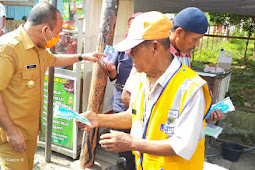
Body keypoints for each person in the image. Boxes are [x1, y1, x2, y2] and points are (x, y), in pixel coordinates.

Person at [77, 11, 212, 170]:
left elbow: (182, 145)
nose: (129, 54)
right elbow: (134, 116)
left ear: (155, 47)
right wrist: (97, 119)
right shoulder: (142, 77)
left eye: (134, 49)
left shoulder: (191, 88)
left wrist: (131, 143)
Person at [0, 2, 104, 170]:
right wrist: (12, 132)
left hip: (30, 132)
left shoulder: (38, 47)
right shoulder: (8, 49)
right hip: (11, 135)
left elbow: (54, 59)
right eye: (58, 31)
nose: (60, 35)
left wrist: (83, 56)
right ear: (45, 30)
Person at [122, 7, 224, 122]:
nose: (197, 44)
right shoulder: (152, 55)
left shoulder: (185, 54)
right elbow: (127, 96)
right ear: (179, 32)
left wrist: (198, 110)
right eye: (195, 39)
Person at [101, 12, 141, 170]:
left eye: (135, 26)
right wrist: (110, 69)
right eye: (130, 26)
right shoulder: (122, 47)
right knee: (123, 144)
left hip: (141, 101)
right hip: (121, 99)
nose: (132, 29)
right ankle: (125, 164)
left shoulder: (150, 48)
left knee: (137, 138)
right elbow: (114, 76)